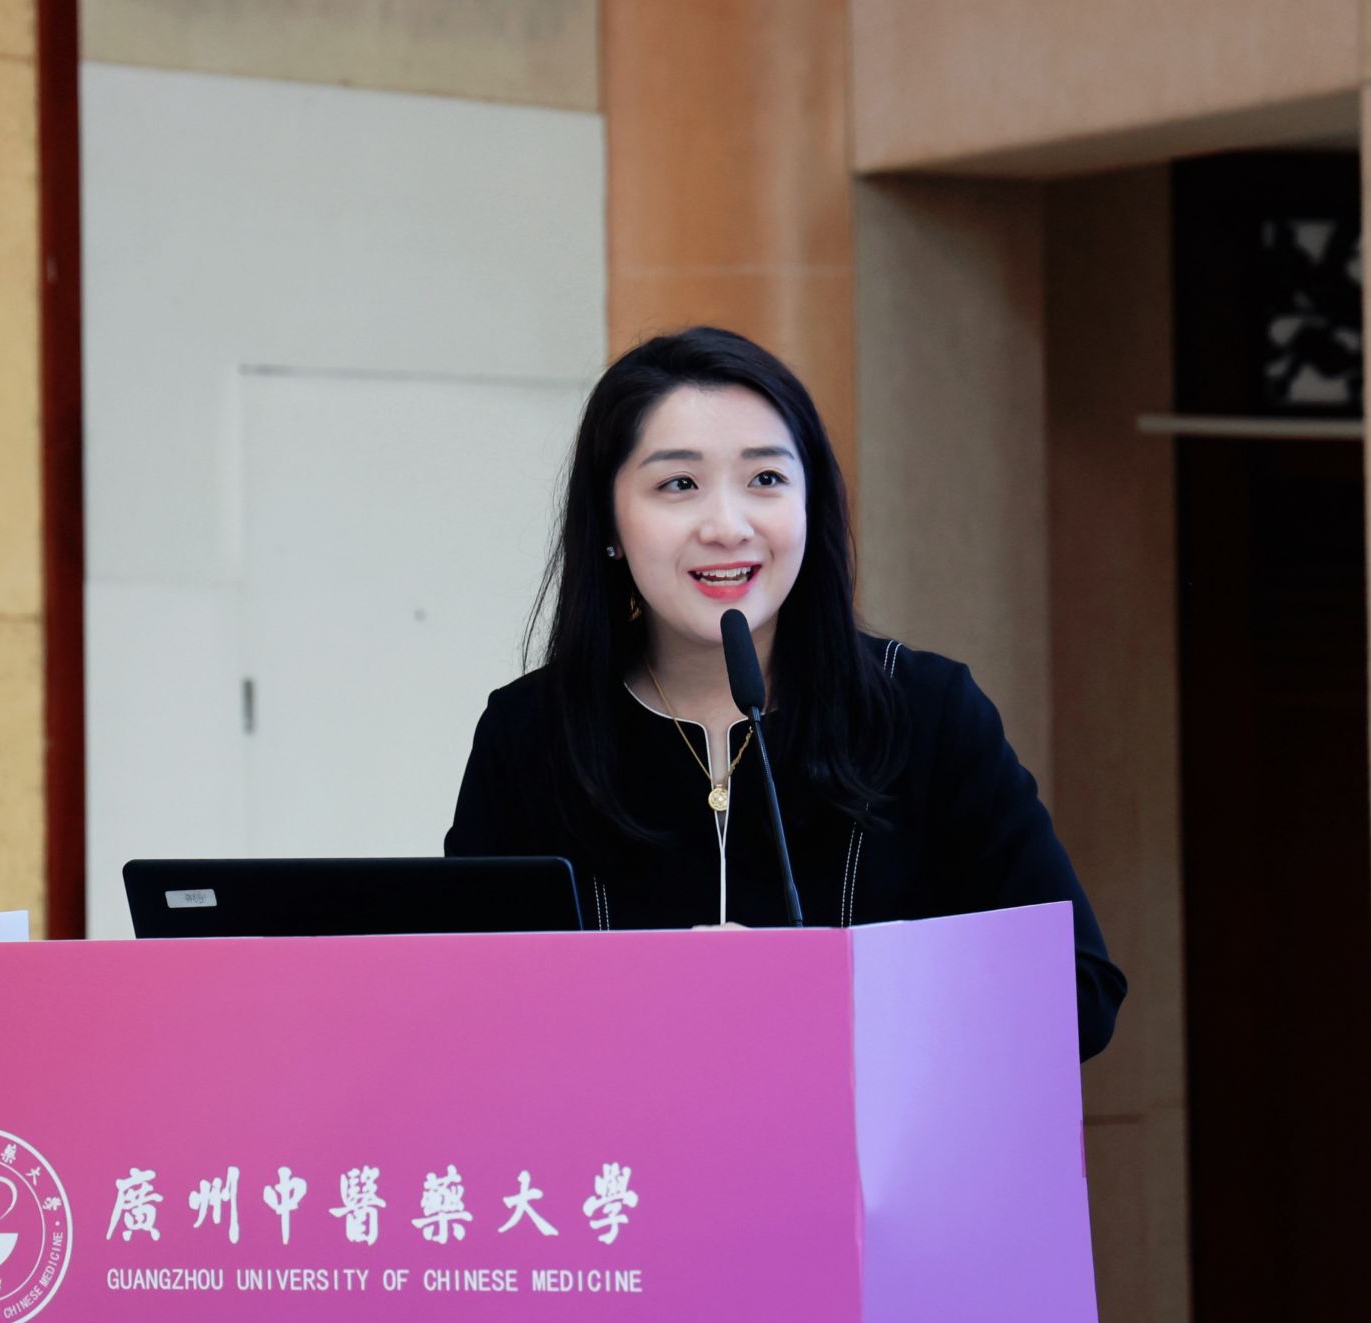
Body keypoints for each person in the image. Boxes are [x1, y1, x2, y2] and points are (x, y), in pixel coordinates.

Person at [445, 327, 1125, 1061]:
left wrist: (819, 990)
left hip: (862, 1141)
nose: (726, 527)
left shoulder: (926, 711)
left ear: (811, 504)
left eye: (766, 479)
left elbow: (1079, 993)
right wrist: (646, 996)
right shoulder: (531, 733)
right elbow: (461, 1008)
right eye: (679, 484)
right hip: (617, 1139)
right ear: (608, 521)